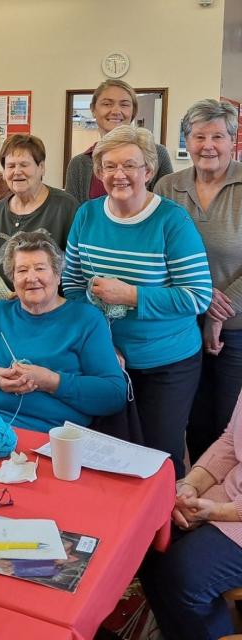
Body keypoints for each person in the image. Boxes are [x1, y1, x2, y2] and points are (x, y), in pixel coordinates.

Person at [62, 125, 212, 477]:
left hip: (166, 362)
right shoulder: (87, 214)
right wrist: (99, 343)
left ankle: (164, 530)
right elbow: (70, 283)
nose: (119, 175)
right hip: (107, 361)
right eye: (109, 166)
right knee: (106, 453)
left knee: (158, 457)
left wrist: (131, 295)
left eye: (130, 165)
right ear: (98, 172)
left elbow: (198, 296)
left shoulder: (171, 221)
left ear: (148, 170)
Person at [0, 230, 126, 431]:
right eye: (22, 270)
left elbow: (113, 395)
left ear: (58, 275)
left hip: (48, 436)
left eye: (40, 268)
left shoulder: (87, 320)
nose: (31, 278)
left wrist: (51, 381)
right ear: (13, 279)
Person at [155, 99, 242, 463]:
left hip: (236, 329)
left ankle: (215, 508)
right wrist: (201, 300)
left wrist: (220, 312)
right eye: (198, 135)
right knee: (181, 419)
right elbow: (155, 253)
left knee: (224, 425)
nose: (208, 145)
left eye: (218, 136)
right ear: (186, 141)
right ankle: (182, 499)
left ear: (233, 140)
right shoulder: (167, 186)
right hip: (178, 323)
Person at [139, 391, 242, 640]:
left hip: (232, 512)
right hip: (228, 493)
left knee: (183, 575)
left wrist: (217, 511)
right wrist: (191, 486)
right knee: (143, 541)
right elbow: (231, 440)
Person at [0, 134, 78, 298]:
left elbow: (76, 269)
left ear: (41, 167)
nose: (17, 172)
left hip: (47, 314)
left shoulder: (65, 207)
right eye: (10, 166)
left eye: (24, 165)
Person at [65, 79, 172, 203]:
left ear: (134, 111)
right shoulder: (79, 165)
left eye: (124, 104)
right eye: (107, 104)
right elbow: (75, 216)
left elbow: (167, 209)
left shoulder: (158, 155)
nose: (116, 111)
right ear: (93, 109)